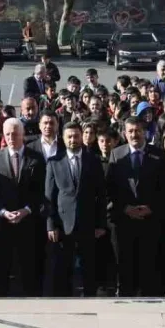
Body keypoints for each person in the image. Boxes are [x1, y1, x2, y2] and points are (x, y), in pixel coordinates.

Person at [44, 121, 107, 297]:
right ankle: (65, 301)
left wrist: (101, 224)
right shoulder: (54, 162)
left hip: (88, 222)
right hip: (64, 224)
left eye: (76, 136)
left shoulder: (93, 161)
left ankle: (90, 299)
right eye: (69, 137)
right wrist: (51, 225)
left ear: (82, 137)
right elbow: (49, 196)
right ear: (63, 139)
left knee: (89, 267)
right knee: (64, 267)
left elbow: (101, 194)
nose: (73, 139)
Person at [107, 116, 165, 297]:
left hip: (150, 221)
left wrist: (152, 208)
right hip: (124, 221)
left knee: (149, 266)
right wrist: (125, 208)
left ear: (144, 132)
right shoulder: (116, 155)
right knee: (126, 266)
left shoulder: (159, 155)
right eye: (130, 131)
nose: (134, 134)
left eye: (138, 131)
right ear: (125, 134)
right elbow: (110, 189)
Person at [0, 118, 46, 296]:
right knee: (2, 268)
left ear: (22, 134)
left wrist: (26, 210)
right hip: (3, 224)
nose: (11, 137)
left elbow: (41, 191)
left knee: (29, 269)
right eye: (7, 134)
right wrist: (3, 212)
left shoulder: (36, 158)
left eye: (15, 134)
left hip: (28, 223)